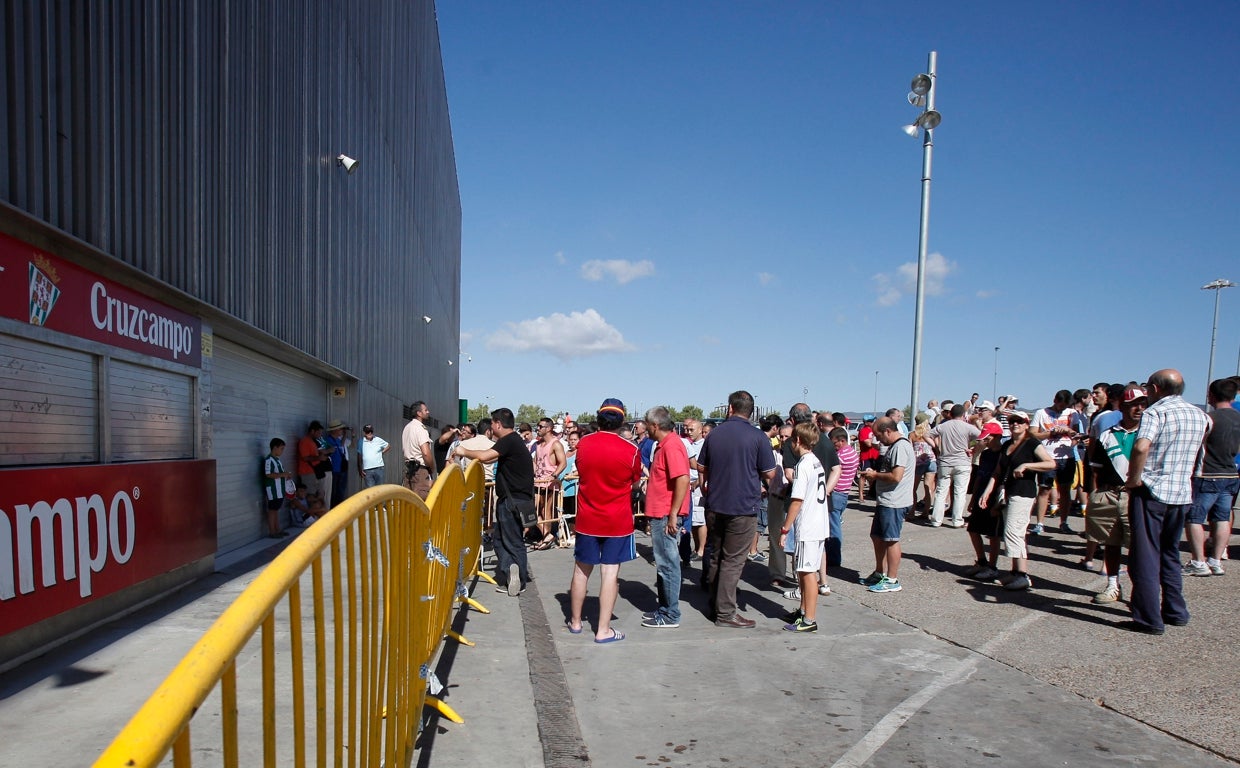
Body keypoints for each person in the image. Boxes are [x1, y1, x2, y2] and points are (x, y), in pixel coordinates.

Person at [1123, 369, 1210, 634]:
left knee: (1145, 555)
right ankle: (1175, 609)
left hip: (1153, 489)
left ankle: (1148, 618)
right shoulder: (1201, 415)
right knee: (1170, 552)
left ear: (1156, 389)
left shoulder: (1155, 412)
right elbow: (1201, 455)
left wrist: (1134, 478)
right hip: (1181, 491)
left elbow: (1141, 447)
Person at [699, 390, 778, 628]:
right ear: (750, 411)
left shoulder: (714, 435)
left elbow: (702, 467)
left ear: (730, 408)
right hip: (743, 506)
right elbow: (770, 473)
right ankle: (725, 612)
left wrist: (706, 489)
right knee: (733, 561)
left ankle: (717, 604)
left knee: (716, 555)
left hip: (715, 503)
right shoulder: (757, 437)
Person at [567, 398, 642, 643]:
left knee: (581, 571)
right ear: (621, 421)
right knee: (610, 574)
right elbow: (634, 482)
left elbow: (582, 471)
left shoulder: (584, 445)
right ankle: (603, 629)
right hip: (617, 521)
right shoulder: (631, 450)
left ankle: (576, 622)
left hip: (588, 517)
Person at [454, 407, 534, 596]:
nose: (491, 427)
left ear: (498, 424)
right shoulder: (514, 442)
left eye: (492, 423)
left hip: (511, 501)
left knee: (513, 541)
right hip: (516, 499)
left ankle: (518, 577)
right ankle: (510, 570)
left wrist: (463, 450)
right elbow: (489, 460)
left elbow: (484, 457)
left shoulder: (509, 440)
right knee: (499, 539)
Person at [977, 410, 1055, 590]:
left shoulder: (1031, 444)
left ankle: (1022, 574)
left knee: (1015, 532)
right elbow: (997, 472)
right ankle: (1014, 572)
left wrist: (1027, 465)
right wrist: (987, 492)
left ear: (1027, 424)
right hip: (1007, 492)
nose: (1015, 424)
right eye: (1012, 421)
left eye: (1019, 421)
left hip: (1023, 492)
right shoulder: (1007, 445)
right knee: (1012, 532)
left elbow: (1050, 463)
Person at [1086, 386, 1146, 603]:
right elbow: (1096, 468)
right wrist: (1095, 495)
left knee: (1140, 547)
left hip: (1138, 496)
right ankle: (1113, 585)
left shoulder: (1148, 434)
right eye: (1133, 405)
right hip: (1110, 493)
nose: (1139, 409)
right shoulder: (1107, 435)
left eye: (1142, 404)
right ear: (1122, 406)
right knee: (1111, 543)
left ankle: (1142, 591)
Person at [1183, 378, 1240, 577]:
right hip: (1231, 473)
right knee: (1223, 518)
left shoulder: (1208, 418)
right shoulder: (1237, 418)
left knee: (1194, 518)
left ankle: (1199, 561)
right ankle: (1216, 560)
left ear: (1211, 395)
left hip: (1207, 473)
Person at [641, 407, 690, 629]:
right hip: (661, 513)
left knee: (667, 564)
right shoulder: (665, 445)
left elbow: (682, 478)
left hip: (665, 514)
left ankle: (671, 613)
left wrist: (673, 513)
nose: (644, 428)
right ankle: (665, 609)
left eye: (646, 424)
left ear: (655, 426)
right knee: (664, 563)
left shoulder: (671, 445)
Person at [779, 421, 829, 632]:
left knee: (807, 573)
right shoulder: (815, 461)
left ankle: (809, 619)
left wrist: (785, 528)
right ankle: (803, 610)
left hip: (809, 526)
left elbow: (796, 500)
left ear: (797, 440)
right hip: (818, 523)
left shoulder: (803, 465)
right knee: (803, 570)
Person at [859, 417, 915, 593]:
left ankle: (892, 579)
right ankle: (879, 572)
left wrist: (875, 475)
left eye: (878, 435)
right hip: (886, 500)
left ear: (888, 431)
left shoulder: (900, 446)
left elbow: (896, 476)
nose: (877, 439)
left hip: (895, 501)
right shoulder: (894, 447)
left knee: (891, 539)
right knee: (877, 536)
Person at [1030, 390, 1087, 534]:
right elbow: (1032, 434)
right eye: (1059, 406)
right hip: (1046, 456)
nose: (1061, 409)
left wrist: (1068, 431)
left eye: (1064, 407)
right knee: (1044, 489)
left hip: (1067, 457)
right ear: (1054, 400)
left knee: (1065, 490)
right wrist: (1051, 433)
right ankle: (1040, 523)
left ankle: (1064, 522)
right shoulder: (1041, 413)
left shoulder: (1072, 414)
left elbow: (1076, 436)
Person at [929, 404, 981, 528]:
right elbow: (982, 437)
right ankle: (957, 520)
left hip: (946, 461)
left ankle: (936, 520)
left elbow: (927, 434)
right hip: (962, 462)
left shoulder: (943, 426)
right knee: (960, 492)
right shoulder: (968, 427)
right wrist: (973, 448)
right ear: (963, 415)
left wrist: (936, 448)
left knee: (941, 491)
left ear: (950, 414)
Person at [828, 425, 860, 570]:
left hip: (836, 493)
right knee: (835, 525)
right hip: (844, 493)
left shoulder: (840, 456)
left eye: (834, 443)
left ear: (841, 441)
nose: (832, 446)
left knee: (834, 527)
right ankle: (832, 555)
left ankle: (834, 558)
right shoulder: (852, 453)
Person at [401, 400, 434, 499]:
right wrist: (432, 469)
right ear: (419, 413)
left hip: (409, 470)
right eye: (426, 410)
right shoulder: (420, 428)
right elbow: (426, 453)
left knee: (410, 503)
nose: (428, 412)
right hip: (420, 471)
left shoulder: (407, 427)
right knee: (422, 503)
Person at [263, 438, 294, 537]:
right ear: (275, 447)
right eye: (281, 448)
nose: (282, 451)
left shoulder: (277, 460)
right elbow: (268, 474)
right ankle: (272, 531)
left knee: (276, 510)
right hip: (273, 489)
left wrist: (286, 475)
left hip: (279, 489)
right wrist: (283, 474)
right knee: (272, 510)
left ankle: (277, 529)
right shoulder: (269, 460)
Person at [297, 420, 332, 507]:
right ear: (312, 431)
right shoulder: (305, 441)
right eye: (318, 432)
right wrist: (319, 458)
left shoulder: (313, 441)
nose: (320, 434)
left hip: (316, 472)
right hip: (307, 472)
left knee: (320, 494)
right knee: (311, 495)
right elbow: (305, 458)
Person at [325, 420, 350, 507]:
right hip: (334, 470)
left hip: (341, 469)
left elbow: (341, 445)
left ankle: (339, 507)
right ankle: (333, 508)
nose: (341, 431)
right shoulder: (328, 440)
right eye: (340, 429)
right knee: (333, 491)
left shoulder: (338, 440)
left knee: (341, 490)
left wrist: (345, 435)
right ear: (335, 430)